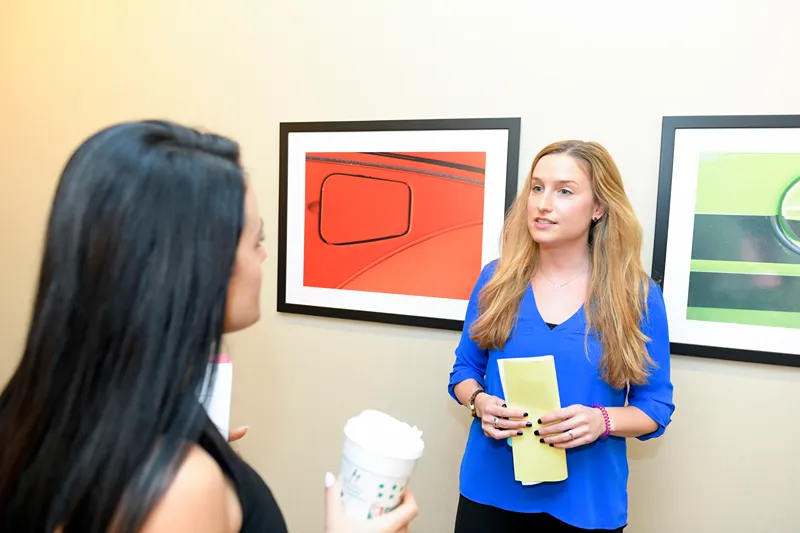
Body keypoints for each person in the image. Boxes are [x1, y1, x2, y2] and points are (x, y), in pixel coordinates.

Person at [0, 120, 418, 533]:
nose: (264, 257)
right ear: (199, 268)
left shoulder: (25, 412)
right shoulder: (176, 487)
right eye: (256, 240)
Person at [447, 140, 675, 532]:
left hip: (585, 506)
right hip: (489, 495)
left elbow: (655, 407)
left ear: (599, 208)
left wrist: (601, 421)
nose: (542, 204)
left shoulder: (636, 296)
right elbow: (464, 371)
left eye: (564, 191)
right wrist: (480, 402)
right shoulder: (496, 280)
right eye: (537, 188)